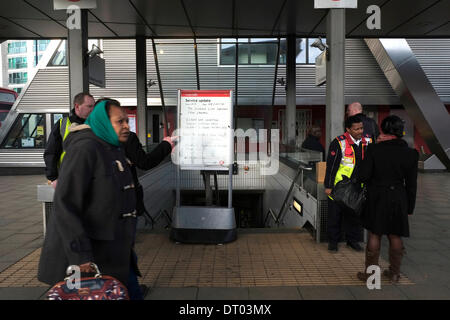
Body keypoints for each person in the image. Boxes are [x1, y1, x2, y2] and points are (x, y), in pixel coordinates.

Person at [38, 99, 141, 299]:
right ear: (103, 122)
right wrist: (81, 258)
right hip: (91, 256)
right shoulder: (85, 149)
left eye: (127, 121)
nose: (127, 126)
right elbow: (66, 205)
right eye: (120, 122)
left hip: (114, 250)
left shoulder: (111, 147)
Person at [356, 115, 418, 283]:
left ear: (383, 129)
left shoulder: (374, 150)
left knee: (375, 234)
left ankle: (371, 275)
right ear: (400, 131)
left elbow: (363, 175)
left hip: (377, 196)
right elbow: (412, 184)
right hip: (399, 196)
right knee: (395, 234)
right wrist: (409, 208)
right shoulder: (411, 153)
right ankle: (395, 273)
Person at [324, 115, 372, 252]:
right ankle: (333, 242)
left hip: (358, 186)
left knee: (355, 215)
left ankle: (353, 241)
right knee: (335, 215)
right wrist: (328, 186)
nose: (360, 131)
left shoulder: (368, 141)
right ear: (348, 129)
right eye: (356, 129)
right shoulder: (338, 142)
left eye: (361, 128)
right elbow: (331, 166)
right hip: (340, 186)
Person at [43, 92, 95, 189]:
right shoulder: (62, 124)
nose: (93, 110)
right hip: (68, 179)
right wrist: (53, 178)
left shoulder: (96, 125)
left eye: (94, 106)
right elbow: (51, 152)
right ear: (77, 106)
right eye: (89, 106)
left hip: (92, 179)